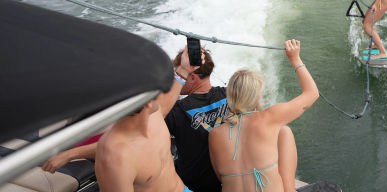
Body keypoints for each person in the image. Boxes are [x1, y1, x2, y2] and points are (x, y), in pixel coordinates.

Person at [209, 39, 318, 192]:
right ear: (258, 95)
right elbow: (312, 93)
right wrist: (295, 58)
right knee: (284, 131)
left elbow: (221, 177)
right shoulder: (269, 118)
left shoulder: (215, 134)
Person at [95, 44, 202, 192]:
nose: (162, 89)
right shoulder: (115, 156)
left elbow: (166, 102)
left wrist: (184, 69)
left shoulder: (154, 115)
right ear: (148, 102)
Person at [165, 47, 228, 192]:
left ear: (192, 77)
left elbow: (154, 117)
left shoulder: (176, 111)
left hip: (192, 186)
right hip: (226, 182)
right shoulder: (232, 96)